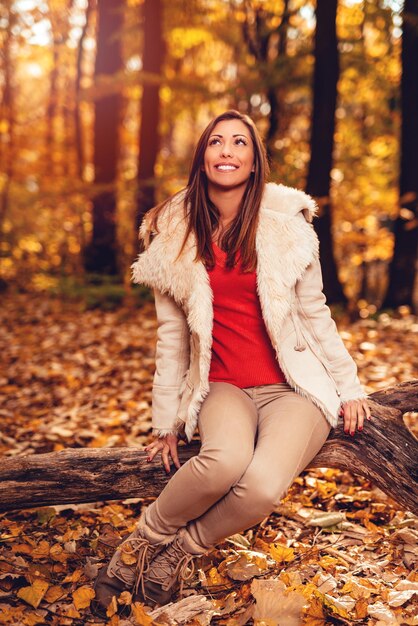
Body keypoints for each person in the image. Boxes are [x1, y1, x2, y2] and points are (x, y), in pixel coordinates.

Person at [92, 109, 371, 616]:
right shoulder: (171, 234)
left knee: (262, 487)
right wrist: (166, 422)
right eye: (216, 141)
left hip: (294, 387)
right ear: (202, 157)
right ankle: (137, 546)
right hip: (222, 385)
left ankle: (181, 550)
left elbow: (316, 313)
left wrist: (350, 387)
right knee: (221, 462)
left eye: (239, 142)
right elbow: (171, 338)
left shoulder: (288, 228)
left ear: (253, 159)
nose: (227, 150)